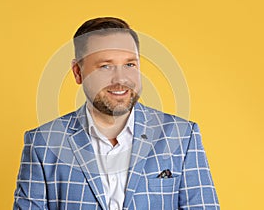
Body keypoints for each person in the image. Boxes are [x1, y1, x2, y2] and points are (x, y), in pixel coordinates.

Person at [13, 17, 220, 210]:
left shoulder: (182, 136)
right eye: (105, 66)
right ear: (78, 72)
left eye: (129, 64)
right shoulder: (43, 142)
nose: (121, 79)